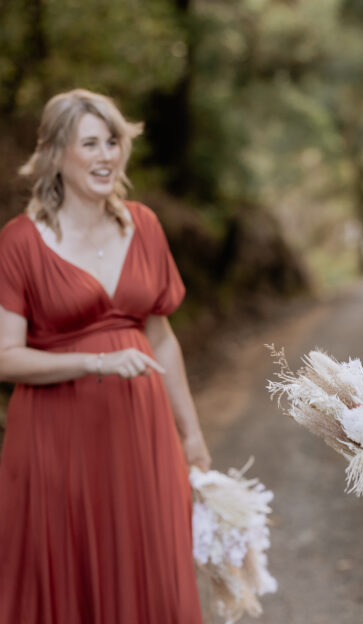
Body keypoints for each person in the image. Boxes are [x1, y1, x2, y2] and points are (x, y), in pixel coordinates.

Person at [0, 89, 209, 623]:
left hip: (143, 433)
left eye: (112, 141)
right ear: (54, 154)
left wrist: (191, 435)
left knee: (153, 568)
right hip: (55, 441)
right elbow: (6, 357)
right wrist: (95, 363)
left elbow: (161, 338)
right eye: (89, 143)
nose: (106, 155)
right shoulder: (20, 243)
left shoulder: (144, 225)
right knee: (68, 578)